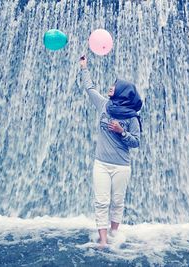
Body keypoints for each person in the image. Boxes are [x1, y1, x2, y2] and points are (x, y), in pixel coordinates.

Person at [79, 55, 142, 248]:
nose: (110, 88)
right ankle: (103, 241)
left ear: (122, 92)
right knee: (101, 202)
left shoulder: (132, 117)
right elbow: (90, 89)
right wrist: (84, 68)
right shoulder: (104, 105)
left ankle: (114, 234)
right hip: (101, 164)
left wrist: (122, 132)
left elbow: (136, 142)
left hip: (121, 166)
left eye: (114, 86)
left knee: (117, 202)